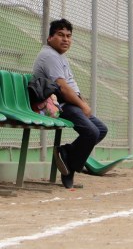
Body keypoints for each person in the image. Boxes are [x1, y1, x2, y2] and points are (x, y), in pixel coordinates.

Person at [33, 19, 108, 190]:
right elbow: (63, 88)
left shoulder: (59, 56)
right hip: (56, 105)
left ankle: (67, 153)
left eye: (68, 36)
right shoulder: (50, 56)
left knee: (101, 129)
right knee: (91, 132)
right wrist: (83, 105)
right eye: (60, 35)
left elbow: (70, 86)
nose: (65, 39)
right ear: (50, 37)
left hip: (66, 102)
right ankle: (69, 169)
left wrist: (81, 102)